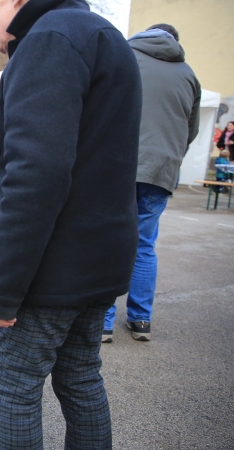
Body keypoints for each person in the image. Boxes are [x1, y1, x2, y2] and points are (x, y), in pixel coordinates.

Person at [0, 0, 142, 447]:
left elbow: (37, 175)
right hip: (98, 257)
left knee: (14, 384)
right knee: (80, 377)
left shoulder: (48, 41)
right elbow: (53, 152)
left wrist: (2, 290)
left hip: (53, 267)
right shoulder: (99, 34)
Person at [103, 23, 201, 343]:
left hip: (119, 164)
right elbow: (191, 130)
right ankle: (140, 319)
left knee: (108, 239)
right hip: (161, 170)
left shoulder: (123, 55)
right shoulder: (188, 74)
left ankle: (102, 322)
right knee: (144, 244)